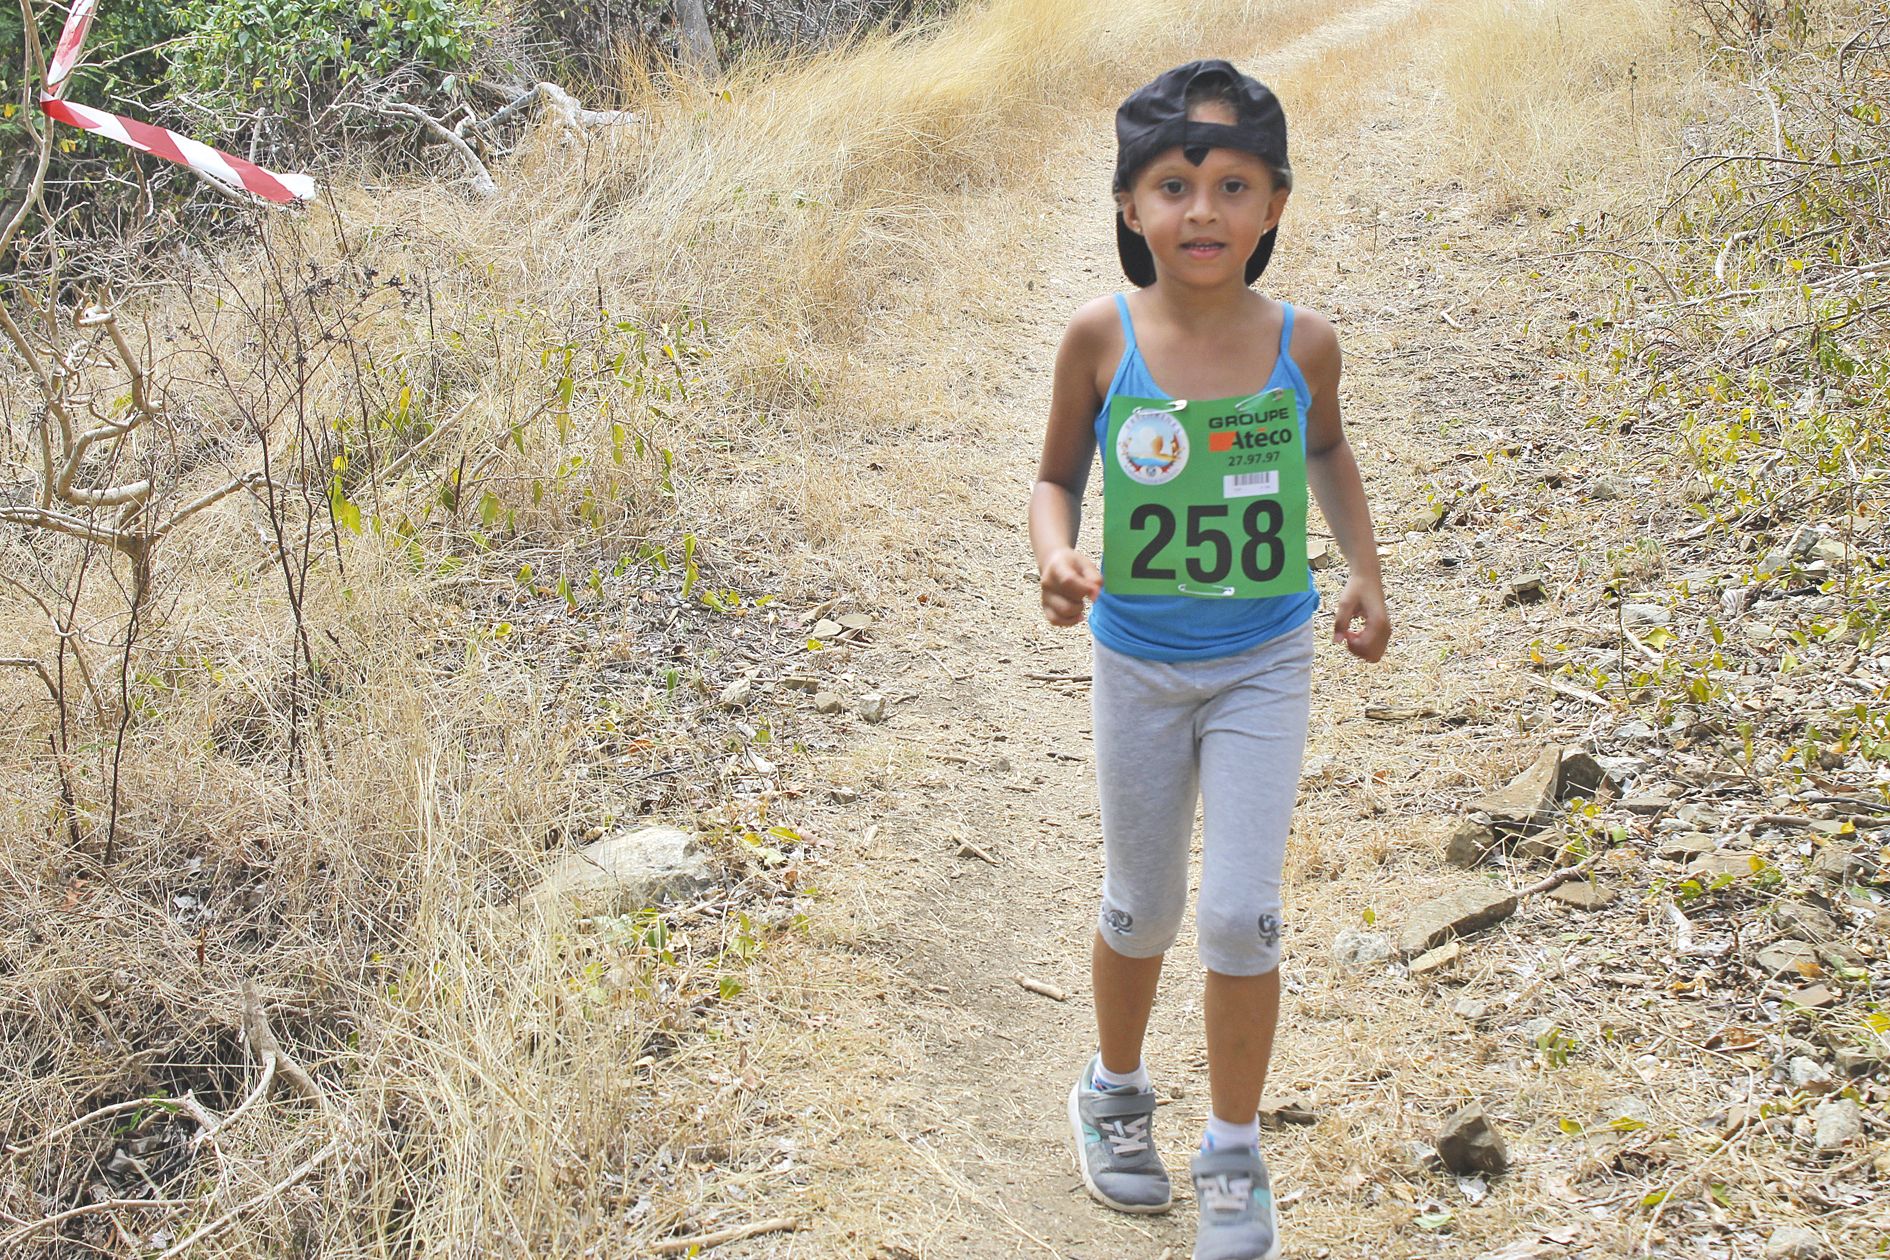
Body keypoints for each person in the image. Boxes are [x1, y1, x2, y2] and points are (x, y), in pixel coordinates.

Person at [1027, 59, 1391, 1260]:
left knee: (1239, 915)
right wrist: (1057, 555)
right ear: (1129, 205)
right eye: (1172, 184)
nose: (1202, 211)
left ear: (1275, 206)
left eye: (1233, 185)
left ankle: (1232, 1154)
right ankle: (1114, 1092)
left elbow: (1329, 455)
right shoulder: (1100, 336)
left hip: (1264, 663)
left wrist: (1365, 575)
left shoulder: (1304, 343)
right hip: (1137, 665)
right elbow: (1053, 479)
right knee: (1142, 907)